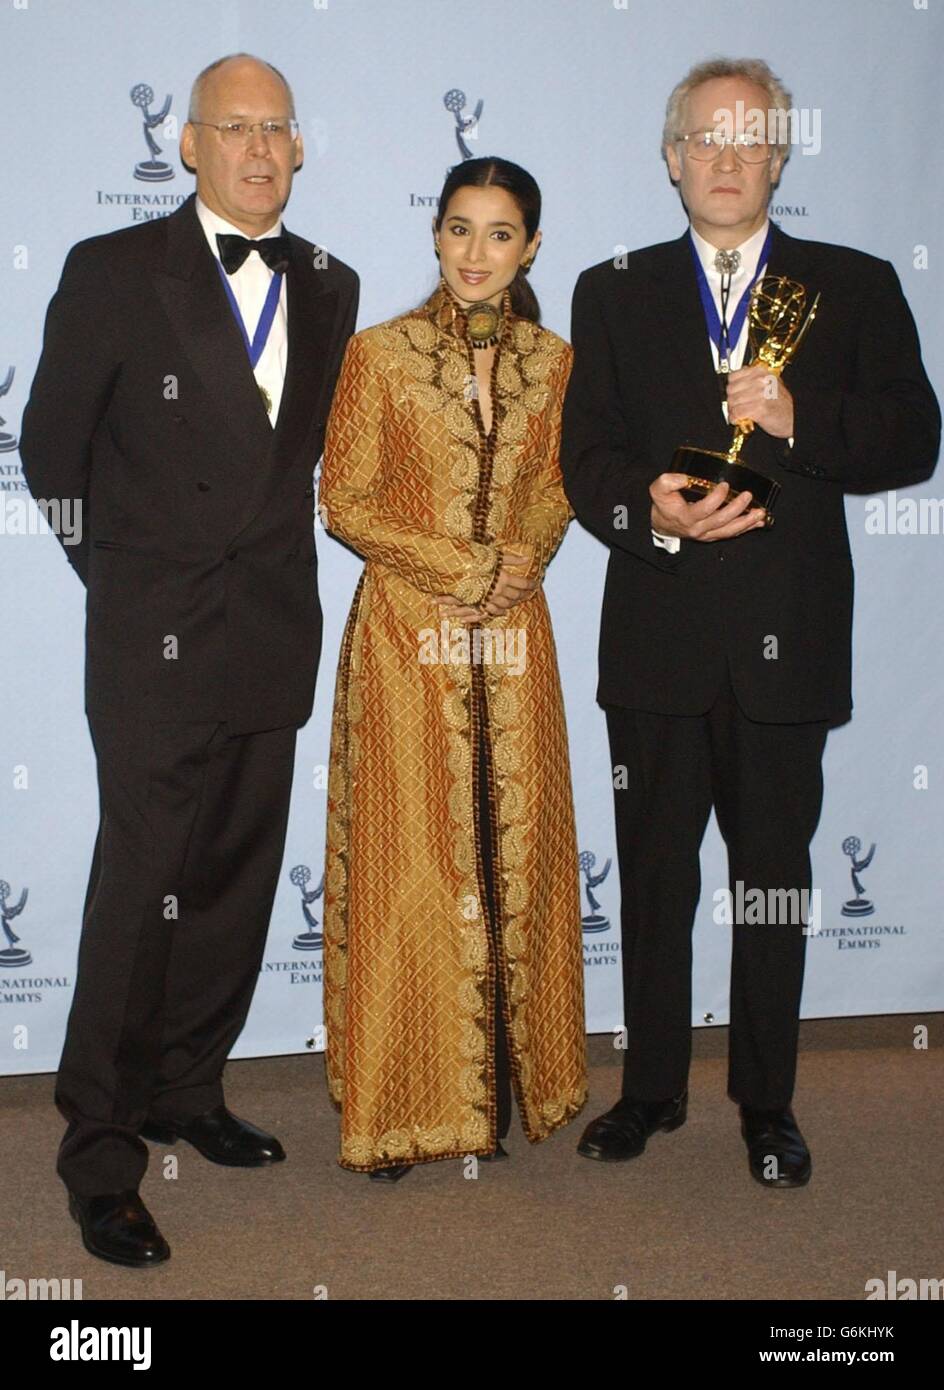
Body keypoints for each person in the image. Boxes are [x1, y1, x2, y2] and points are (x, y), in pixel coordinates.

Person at [561, 57, 939, 1188]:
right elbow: (585, 461)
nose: (724, 160)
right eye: (702, 140)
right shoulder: (610, 286)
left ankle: (766, 1103)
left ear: (778, 155)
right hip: (656, 637)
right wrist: (650, 510)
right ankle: (648, 1089)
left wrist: (796, 409)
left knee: (771, 876)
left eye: (748, 140)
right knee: (652, 876)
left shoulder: (855, 281)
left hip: (789, 637)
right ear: (671, 157)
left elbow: (914, 437)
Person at [19, 53, 358, 1264]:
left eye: (278, 127)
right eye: (235, 127)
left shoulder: (330, 282)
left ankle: (188, 1089)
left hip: (270, 632)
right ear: (189, 148)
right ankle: (98, 1156)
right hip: (153, 643)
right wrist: (122, 590)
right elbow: (51, 452)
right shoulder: (112, 272)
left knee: (229, 877)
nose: (260, 148)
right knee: (139, 887)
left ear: (300, 148)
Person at [319, 156, 587, 1179]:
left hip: (515, 634)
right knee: (409, 858)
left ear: (530, 247)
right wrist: (462, 566)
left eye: (501, 232)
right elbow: (345, 499)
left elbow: (563, 482)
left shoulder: (555, 361)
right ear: (434, 235)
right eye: (460, 229)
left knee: (513, 850)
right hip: (403, 631)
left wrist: (521, 560)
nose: (477, 252)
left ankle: (509, 1084)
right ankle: (402, 1100)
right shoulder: (379, 354)